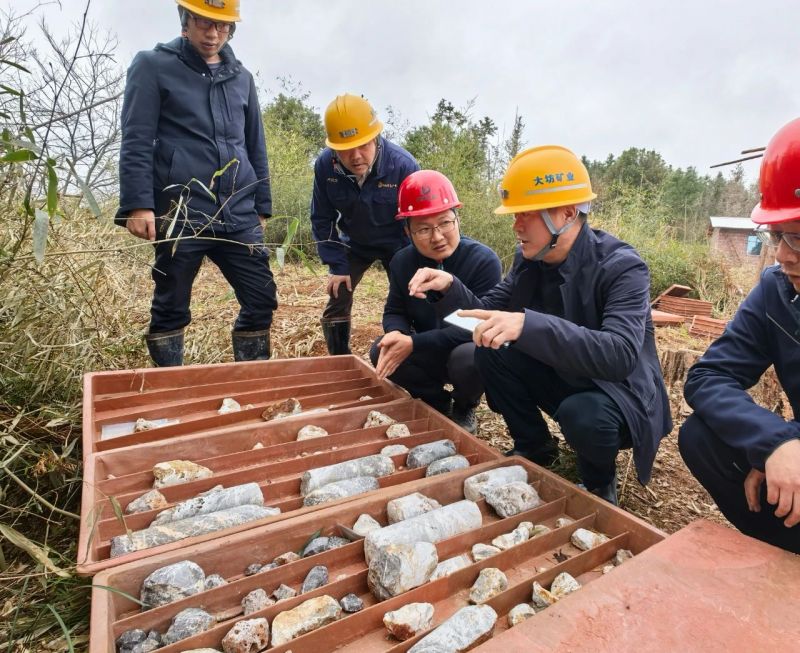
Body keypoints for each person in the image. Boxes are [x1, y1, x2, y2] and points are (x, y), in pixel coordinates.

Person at [407, 145, 672, 504]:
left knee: (586, 415)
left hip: (617, 395)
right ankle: (535, 448)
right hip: (566, 374)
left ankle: (599, 482)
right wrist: (450, 290)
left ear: (565, 214)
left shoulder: (622, 267)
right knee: (490, 349)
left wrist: (527, 326)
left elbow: (620, 355)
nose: (515, 226)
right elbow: (487, 310)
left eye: (524, 215)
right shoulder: (530, 259)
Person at [116, 0, 276, 366]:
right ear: (185, 20)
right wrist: (138, 203)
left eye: (223, 26)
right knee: (171, 303)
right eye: (205, 22)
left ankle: (250, 380)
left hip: (237, 210)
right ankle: (170, 388)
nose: (213, 33)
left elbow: (255, 144)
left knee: (261, 296)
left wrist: (261, 205)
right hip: (182, 212)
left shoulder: (242, 78)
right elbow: (137, 137)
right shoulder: (153, 65)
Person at [679, 118, 800, 554]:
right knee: (701, 438)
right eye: (777, 235)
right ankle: (782, 561)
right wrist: (774, 443)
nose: (783, 254)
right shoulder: (778, 291)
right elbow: (708, 377)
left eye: (799, 238)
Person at [370, 170, 502, 432]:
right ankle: (437, 401)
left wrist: (412, 342)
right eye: (424, 229)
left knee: (472, 357)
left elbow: (476, 328)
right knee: (379, 350)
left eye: (445, 223)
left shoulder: (484, 261)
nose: (438, 236)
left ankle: (465, 404)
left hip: (462, 347)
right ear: (407, 231)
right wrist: (396, 334)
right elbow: (395, 309)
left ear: (457, 218)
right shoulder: (402, 262)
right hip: (427, 351)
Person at [311, 94, 419, 355]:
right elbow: (321, 217)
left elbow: (418, 221)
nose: (356, 156)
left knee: (411, 300)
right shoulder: (325, 166)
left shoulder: (403, 165)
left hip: (398, 244)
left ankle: (409, 354)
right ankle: (339, 360)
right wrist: (336, 264)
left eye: (363, 145)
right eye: (345, 149)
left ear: (376, 138)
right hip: (355, 243)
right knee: (338, 293)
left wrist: (415, 261)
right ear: (334, 148)